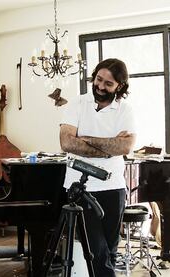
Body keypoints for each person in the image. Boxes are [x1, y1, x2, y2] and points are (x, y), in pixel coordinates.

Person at [60, 58, 136, 276]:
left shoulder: (125, 110)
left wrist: (84, 139)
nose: (100, 87)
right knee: (96, 250)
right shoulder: (77, 103)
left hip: (114, 187)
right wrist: (111, 145)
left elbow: (127, 146)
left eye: (108, 84)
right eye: (98, 79)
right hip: (80, 187)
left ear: (119, 86)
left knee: (111, 249)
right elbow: (67, 143)